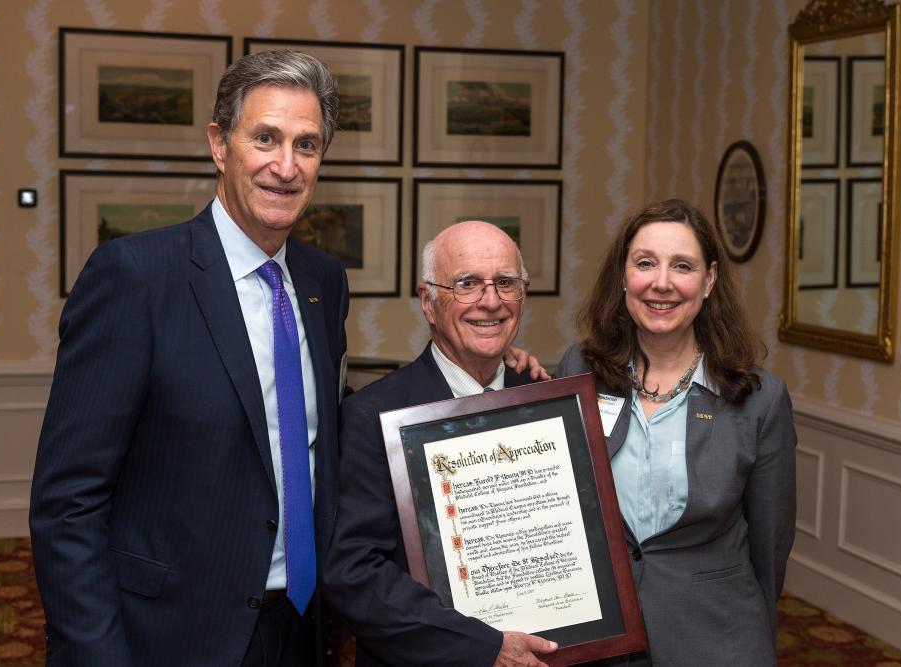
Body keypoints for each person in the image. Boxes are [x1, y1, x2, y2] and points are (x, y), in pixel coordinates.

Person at [30, 50, 347, 666]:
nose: (286, 166)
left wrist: (482, 375)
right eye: (265, 138)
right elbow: (69, 502)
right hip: (168, 634)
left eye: (306, 145)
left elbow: (321, 427)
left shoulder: (322, 281)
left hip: (301, 625)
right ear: (219, 145)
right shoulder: (134, 277)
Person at [557, 199, 796, 666]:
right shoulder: (579, 369)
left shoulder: (759, 399)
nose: (661, 283)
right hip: (601, 636)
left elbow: (770, 550)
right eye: (645, 263)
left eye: (681, 266)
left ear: (708, 281)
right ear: (623, 275)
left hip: (715, 636)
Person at [324, 221, 559, 667]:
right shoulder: (372, 416)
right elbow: (353, 574)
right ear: (428, 302)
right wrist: (484, 648)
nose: (490, 302)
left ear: (523, 296)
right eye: (466, 284)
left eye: (505, 283)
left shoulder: (549, 399)